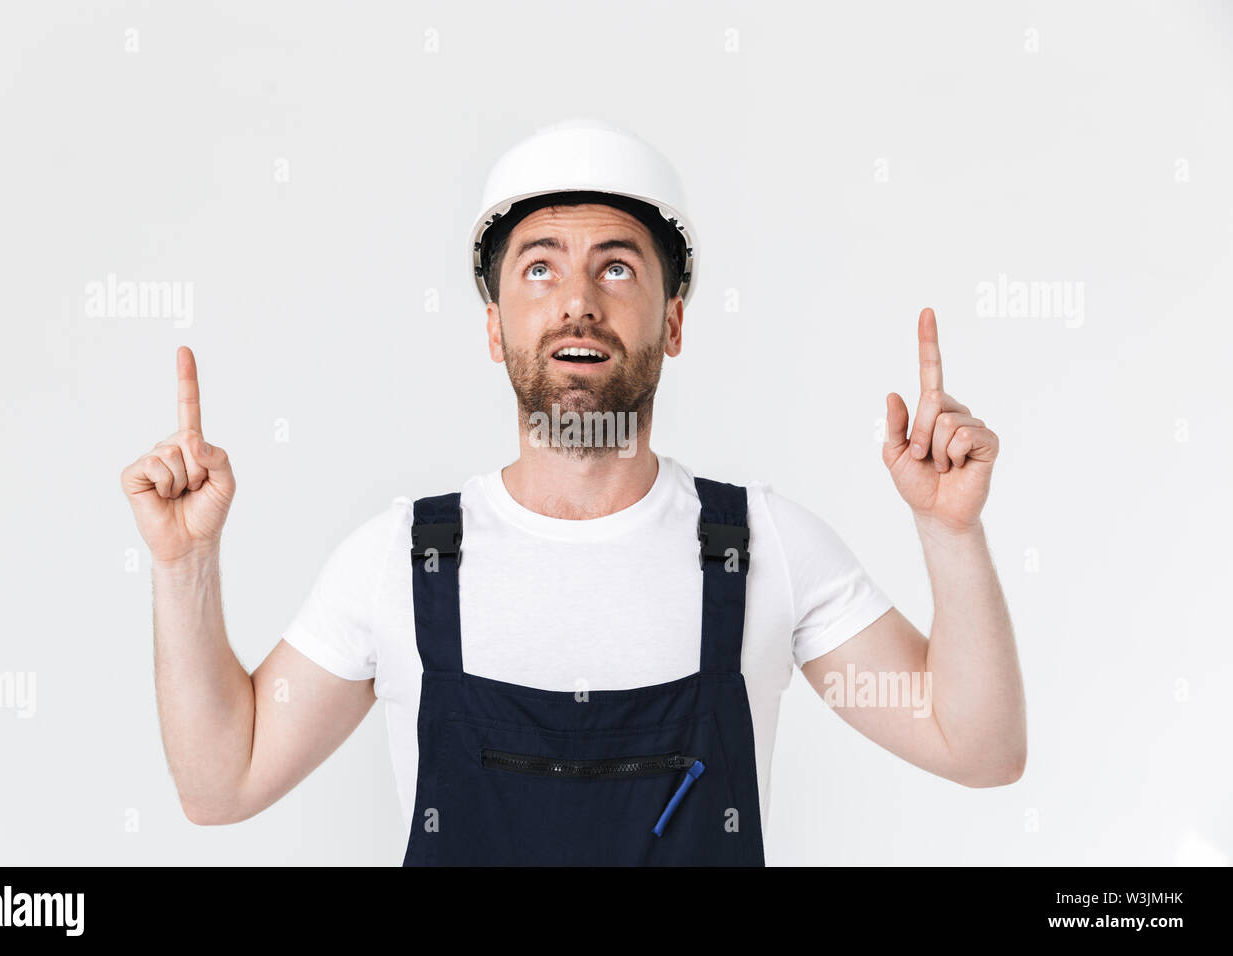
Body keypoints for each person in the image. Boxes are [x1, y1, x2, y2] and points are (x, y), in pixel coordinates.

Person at [120, 118, 1026, 866]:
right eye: (540, 267)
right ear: (494, 326)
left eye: (618, 266)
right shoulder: (399, 562)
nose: (577, 301)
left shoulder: (765, 548)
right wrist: (184, 566)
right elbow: (221, 782)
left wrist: (951, 533)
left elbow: (978, 747)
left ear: (673, 323)